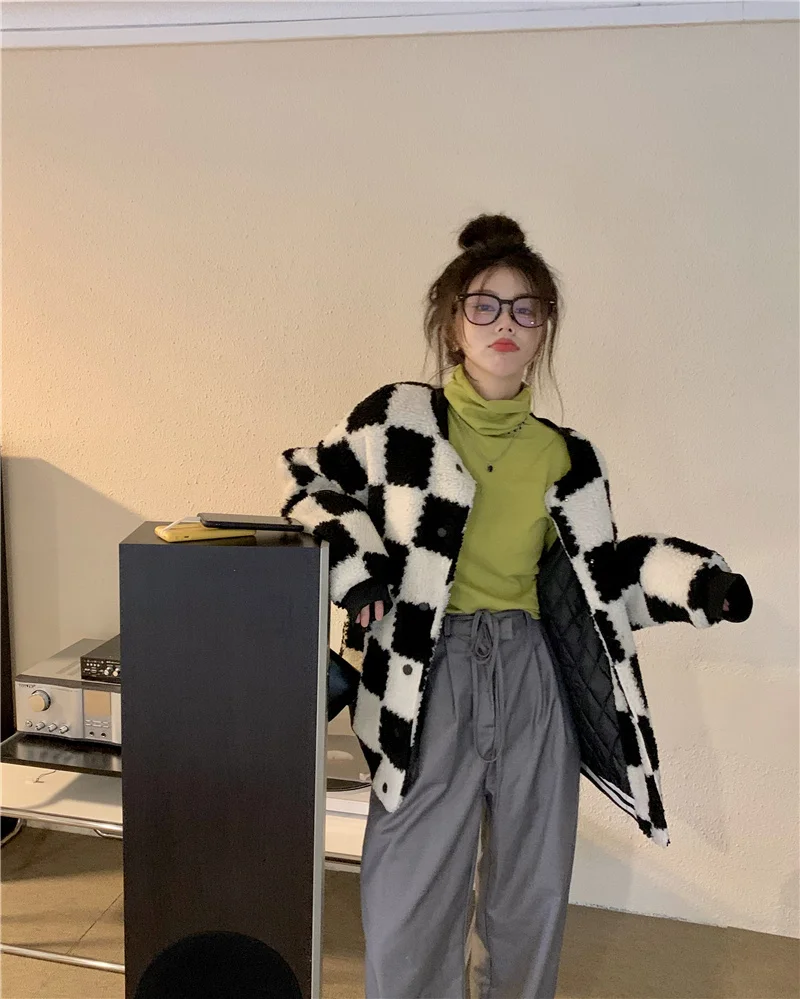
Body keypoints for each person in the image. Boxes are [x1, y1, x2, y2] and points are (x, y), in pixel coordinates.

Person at [277, 214, 752, 999]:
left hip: (535, 673)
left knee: (530, 892)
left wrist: (700, 585)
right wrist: (360, 574)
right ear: (452, 323)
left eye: (526, 309)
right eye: (485, 305)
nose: (506, 322)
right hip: (426, 675)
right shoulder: (396, 420)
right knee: (410, 895)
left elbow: (603, 580)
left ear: (544, 330)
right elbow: (309, 485)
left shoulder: (568, 456)